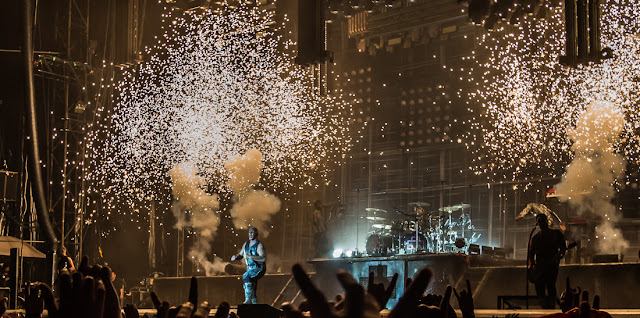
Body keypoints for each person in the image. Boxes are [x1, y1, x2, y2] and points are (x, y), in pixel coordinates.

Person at [528, 213, 566, 309]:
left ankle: (551, 308)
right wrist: (532, 265)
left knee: (550, 286)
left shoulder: (556, 234)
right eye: (539, 221)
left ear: (547, 222)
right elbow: (531, 253)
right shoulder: (535, 238)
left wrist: (559, 256)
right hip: (540, 267)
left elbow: (563, 247)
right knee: (540, 288)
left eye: (542, 221)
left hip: (551, 266)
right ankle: (545, 307)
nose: (541, 223)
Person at [231, 227, 266, 304]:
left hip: (259, 268)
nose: (250, 234)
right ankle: (254, 302)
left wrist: (251, 257)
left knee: (246, 276)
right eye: (249, 232)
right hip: (250, 268)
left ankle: (247, 300)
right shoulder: (246, 244)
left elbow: (262, 258)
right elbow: (241, 254)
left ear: (256, 234)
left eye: (252, 232)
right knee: (252, 286)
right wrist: (236, 257)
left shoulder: (259, 245)